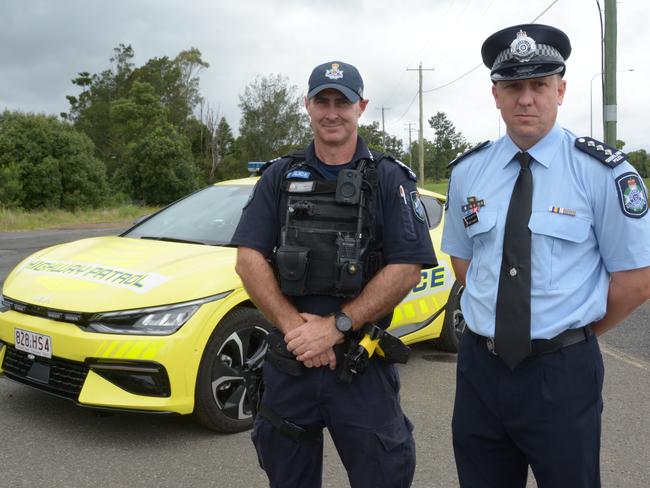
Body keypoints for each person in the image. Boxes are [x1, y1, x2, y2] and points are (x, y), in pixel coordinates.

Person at [442, 24, 650, 487]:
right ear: (495, 95)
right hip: (480, 371)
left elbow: (636, 281)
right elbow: (464, 260)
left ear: (561, 89)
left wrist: (568, 330)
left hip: (561, 372)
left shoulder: (603, 173)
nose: (526, 99)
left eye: (539, 85)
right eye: (513, 87)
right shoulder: (468, 171)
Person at [231, 60, 436, 488]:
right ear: (307, 105)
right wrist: (297, 330)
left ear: (361, 106)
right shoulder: (279, 176)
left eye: (341, 102)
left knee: (383, 476)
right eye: (321, 101)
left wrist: (337, 326)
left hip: (360, 366)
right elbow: (248, 258)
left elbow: (406, 267)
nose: (331, 112)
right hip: (292, 364)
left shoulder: (387, 177)